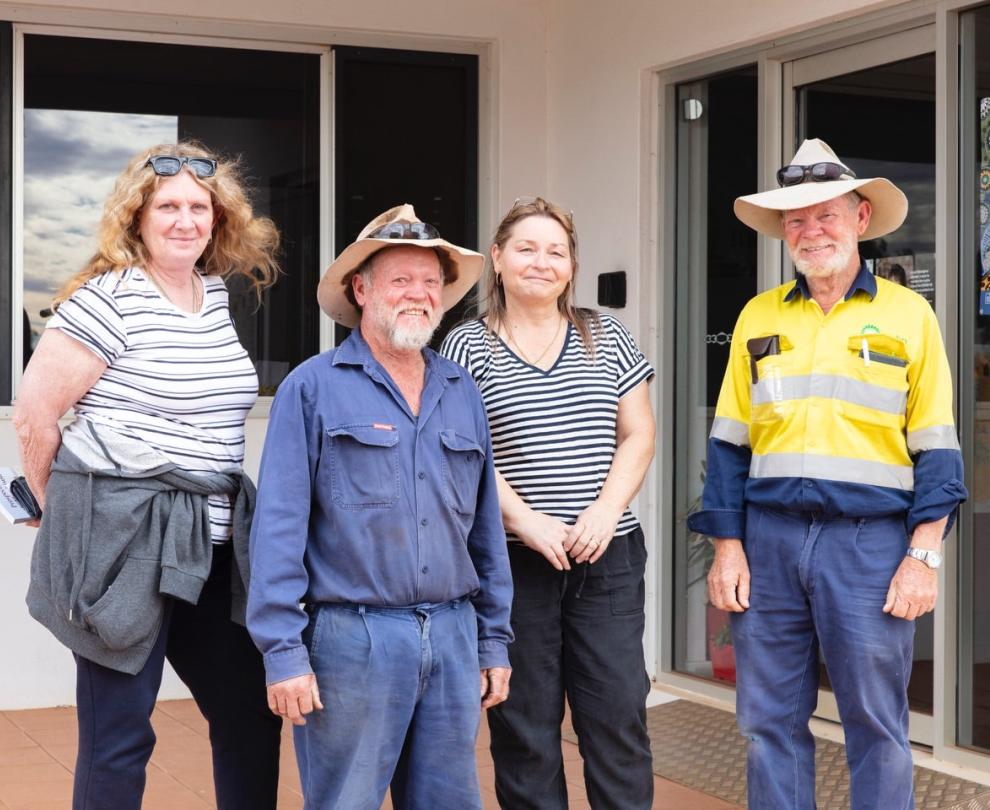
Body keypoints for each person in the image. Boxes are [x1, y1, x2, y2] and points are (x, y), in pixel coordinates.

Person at [688, 138, 968, 810]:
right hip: (770, 542)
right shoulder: (759, 314)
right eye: (796, 219)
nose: (812, 231)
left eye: (827, 215)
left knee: (874, 721)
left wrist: (922, 558)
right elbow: (729, 445)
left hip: (869, 545)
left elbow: (938, 450)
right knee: (767, 722)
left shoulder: (909, 315)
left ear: (861, 219)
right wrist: (728, 547)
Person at [13, 142, 283, 810]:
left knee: (249, 708)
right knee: (121, 734)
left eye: (200, 207)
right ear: (137, 216)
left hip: (211, 540)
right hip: (127, 541)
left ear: (219, 220)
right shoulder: (107, 300)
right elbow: (34, 415)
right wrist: (58, 510)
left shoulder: (212, 294)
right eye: (168, 206)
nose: (185, 220)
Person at [246, 204, 514, 810]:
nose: (417, 294)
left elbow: (485, 531)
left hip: (452, 635)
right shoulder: (311, 388)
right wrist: (283, 651)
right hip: (351, 641)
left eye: (430, 282)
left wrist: (493, 639)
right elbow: (279, 528)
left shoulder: (460, 389)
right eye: (400, 280)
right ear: (361, 289)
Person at [441, 197, 657, 810]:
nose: (542, 261)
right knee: (525, 727)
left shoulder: (606, 336)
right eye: (527, 248)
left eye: (556, 251)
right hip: (513, 566)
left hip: (606, 558)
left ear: (572, 266)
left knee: (616, 720)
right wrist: (528, 521)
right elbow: (467, 457)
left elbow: (638, 432)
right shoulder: (465, 348)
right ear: (498, 260)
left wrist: (606, 512)